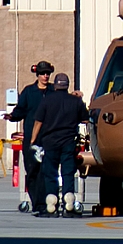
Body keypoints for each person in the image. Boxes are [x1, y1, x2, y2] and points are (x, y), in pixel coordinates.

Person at [30, 72, 89, 216]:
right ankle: (69, 205)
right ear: (67, 86)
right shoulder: (76, 101)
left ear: (55, 85)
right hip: (69, 141)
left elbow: (38, 121)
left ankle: (51, 206)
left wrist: (32, 140)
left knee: (50, 173)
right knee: (68, 172)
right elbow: (86, 120)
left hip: (50, 142)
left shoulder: (47, 100)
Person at [4, 60, 55, 213]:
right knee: (33, 170)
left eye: (47, 73)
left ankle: (50, 202)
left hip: (49, 136)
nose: (45, 76)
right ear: (37, 75)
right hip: (32, 139)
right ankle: (38, 203)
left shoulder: (54, 91)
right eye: (42, 73)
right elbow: (20, 111)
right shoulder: (28, 92)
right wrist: (11, 116)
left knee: (48, 170)